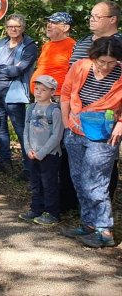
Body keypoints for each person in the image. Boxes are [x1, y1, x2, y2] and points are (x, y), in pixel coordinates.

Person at [59, 36, 122, 248]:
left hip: (104, 134)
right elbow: (66, 94)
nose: (105, 66)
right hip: (75, 130)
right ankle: (88, 224)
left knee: (95, 181)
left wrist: (121, 122)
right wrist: (66, 123)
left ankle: (105, 231)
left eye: (111, 62)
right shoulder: (80, 66)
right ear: (93, 57)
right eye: (101, 62)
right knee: (78, 178)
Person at [68, 0, 121, 211]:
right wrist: (66, 115)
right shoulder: (82, 43)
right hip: (76, 121)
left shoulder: (119, 47)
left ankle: (102, 224)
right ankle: (87, 219)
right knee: (79, 175)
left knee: (97, 178)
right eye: (91, 15)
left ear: (113, 19)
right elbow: (69, 85)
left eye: (97, 16)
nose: (91, 19)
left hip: (105, 125)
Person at [29, 12, 78, 214]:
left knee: (58, 149)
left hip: (57, 102)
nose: (49, 25)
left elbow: (74, 76)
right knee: (39, 143)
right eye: (48, 22)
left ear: (66, 27)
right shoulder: (48, 45)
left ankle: (62, 202)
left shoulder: (72, 45)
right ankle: (41, 199)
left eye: (54, 23)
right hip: (40, 100)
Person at [0, 14, 39, 179]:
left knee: (21, 130)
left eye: (16, 26)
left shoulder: (29, 46)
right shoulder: (0, 44)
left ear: (23, 28)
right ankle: (4, 161)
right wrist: (6, 69)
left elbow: (18, 70)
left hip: (15, 94)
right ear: (6, 28)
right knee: (0, 128)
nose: (13, 29)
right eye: (10, 26)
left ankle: (29, 168)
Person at [18, 75, 63, 225]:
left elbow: (57, 135)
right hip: (32, 154)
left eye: (43, 90)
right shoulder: (30, 108)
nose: (38, 92)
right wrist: (28, 149)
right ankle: (36, 209)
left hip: (49, 155)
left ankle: (52, 213)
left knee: (49, 184)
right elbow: (26, 131)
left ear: (52, 92)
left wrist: (42, 152)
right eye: (36, 89)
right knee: (35, 183)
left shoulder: (55, 111)